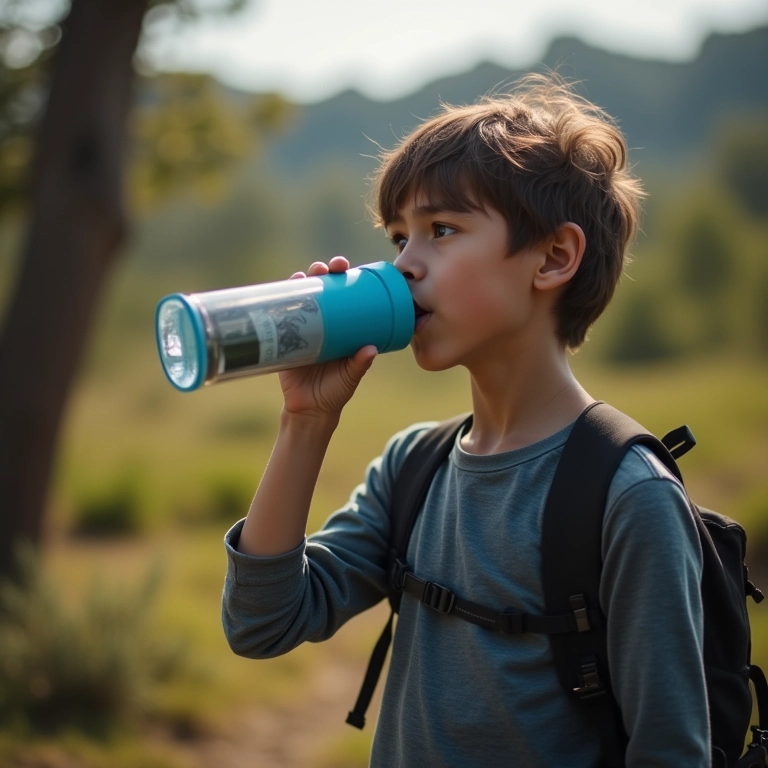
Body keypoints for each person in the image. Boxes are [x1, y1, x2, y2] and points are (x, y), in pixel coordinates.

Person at [221, 74, 710, 767]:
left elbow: (670, 751)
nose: (402, 266)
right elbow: (262, 623)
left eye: (441, 230)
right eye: (397, 237)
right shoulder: (413, 466)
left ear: (554, 257)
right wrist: (306, 420)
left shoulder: (628, 496)